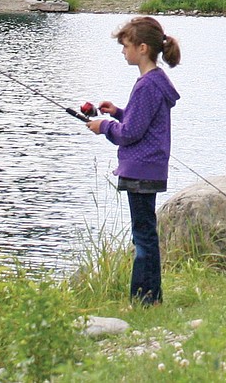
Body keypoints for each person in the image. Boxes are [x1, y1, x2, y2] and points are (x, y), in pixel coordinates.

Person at [85, 16, 181, 305]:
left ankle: (144, 300)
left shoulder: (146, 85)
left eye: (125, 46)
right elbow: (141, 121)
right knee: (145, 234)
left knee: (142, 238)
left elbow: (130, 134)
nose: (123, 51)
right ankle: (151, 298)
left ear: (142, 48)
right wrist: (117, 112)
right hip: (149, 169)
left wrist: (104, 127)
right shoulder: (156, 81)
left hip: (140, 170)